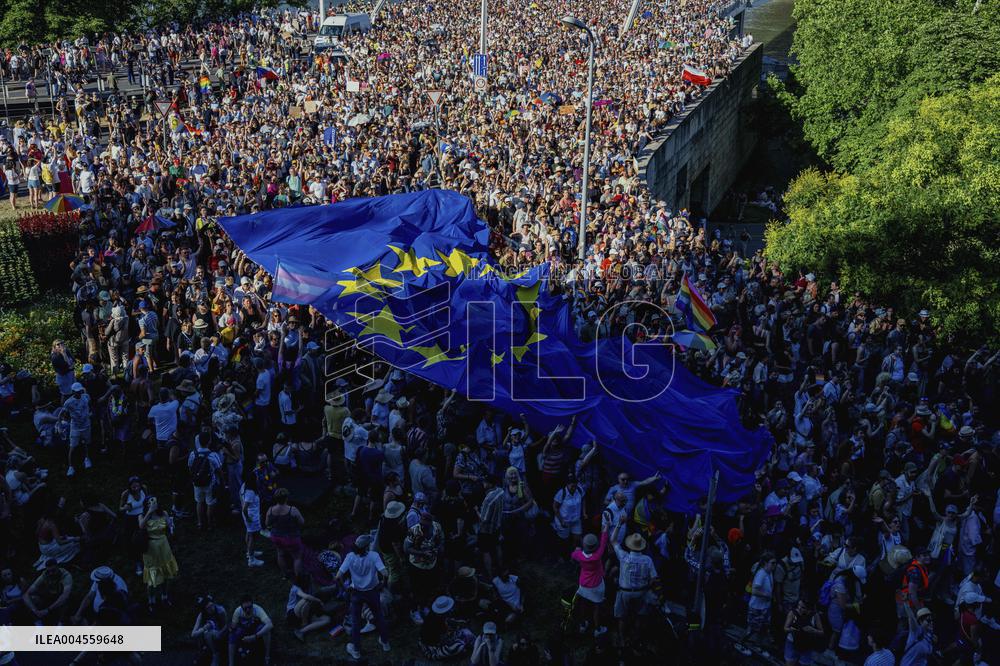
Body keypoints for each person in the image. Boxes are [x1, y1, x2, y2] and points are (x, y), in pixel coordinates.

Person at [334, 533, 391, 659]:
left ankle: (356, 651)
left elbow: (338, 577)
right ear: (366, 547)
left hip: (356, 593)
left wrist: (345, 588)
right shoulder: (374, 556)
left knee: (355, 622)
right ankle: (385, 643)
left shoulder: (350, 557)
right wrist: (382, 584)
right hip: (372, 592)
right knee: (379, 617)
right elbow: (385, 573)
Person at [612, 531, 658, 641]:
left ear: (630, 546)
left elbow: (613, 540)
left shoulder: (623, 556)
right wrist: (646, 585)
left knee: (622, 618)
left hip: (625, 592)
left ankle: (622, 639)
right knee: (639, 616)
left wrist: (619, 524)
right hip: (641, 592)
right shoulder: (648, 560)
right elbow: (654, 578)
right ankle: (636, 638)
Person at [138, 496, 177, 612]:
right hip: (151, 548)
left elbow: (169, 525)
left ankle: (164, 596)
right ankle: (151, 600)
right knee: (152, 577)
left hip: (164, 546)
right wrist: (149, 512)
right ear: (146, 505)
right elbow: (141, 526)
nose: (153, 503)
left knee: (166, 574)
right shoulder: (142, 516)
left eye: (155, 501)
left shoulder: (163, 513)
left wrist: (171, 525)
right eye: (150, 502)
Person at [571, 527, 611, 637]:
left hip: (584, 584)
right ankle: (597, 629)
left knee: (583, 604)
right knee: (596, 608)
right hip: (597, 585)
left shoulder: (579, 555)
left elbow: (573, 555)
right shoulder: (597, 555)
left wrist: (577, 550)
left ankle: (583, 625)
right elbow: (603, 542)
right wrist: (605, 529)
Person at [188, 426, 222, 531]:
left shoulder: (193, 454)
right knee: (210, 503)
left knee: (199, 502)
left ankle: (199, 523)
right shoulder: (213, 455)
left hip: (197, 482)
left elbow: (190, 467)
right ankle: (210, 524)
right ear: (209, 441)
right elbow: (219, 469)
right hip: (210, 483)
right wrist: (222, 481)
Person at [265, 488, 304, 578]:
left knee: (280, 554)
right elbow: (302, 522)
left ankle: (285, 574)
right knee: (297, 557)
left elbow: (267, 524)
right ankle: (298, 577)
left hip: (276, 537)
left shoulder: (270, 510)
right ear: (286, 498)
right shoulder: (293, 510)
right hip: (292, 537)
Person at [23, 560, 73, 625]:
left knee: (65, 602)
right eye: (49, 571)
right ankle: (39, 624)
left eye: (53, 571)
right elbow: (26, 594)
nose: (51, 573)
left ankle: (60, 625)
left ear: (58, 567)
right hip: (48, 597)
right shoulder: (44, 575)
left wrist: (48, 610)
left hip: (59, 599)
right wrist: (35, 610)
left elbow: (65, 595)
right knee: (33, 599)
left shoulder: (66, 575)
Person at [228, 595, 273, 666]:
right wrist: (232, 628)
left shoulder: (257, 609)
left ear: (252, 605)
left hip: (256, 631)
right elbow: (233, 627)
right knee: (231, 635)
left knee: (267, 631)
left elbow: (270, 624)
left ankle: (267, 657)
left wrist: (254, 636)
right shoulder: (238, 611)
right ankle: (231, 663)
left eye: (250, 607)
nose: (248, 610)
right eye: (245, 608)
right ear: (241, 607)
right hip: (243, 631)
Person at [63, 382, 93, 477]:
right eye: (76, 391)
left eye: (80, 391)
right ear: (72, 392)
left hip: (86, 425)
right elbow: (64, 414)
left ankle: (87, 459)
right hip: (75, 427)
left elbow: (90, 405)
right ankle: (71, 467)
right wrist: (62, 424)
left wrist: (90, 413)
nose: (78, 393)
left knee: (86, 443)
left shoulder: (86, 397)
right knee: (73, 446)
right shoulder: (68, 403)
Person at [783, 599, 824, 666]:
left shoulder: (815, 615)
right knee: (790, 663)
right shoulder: (793, 613)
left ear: (809, 609)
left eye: (803, 607)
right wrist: (792, 629)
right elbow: (785, 628)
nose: (799, 608)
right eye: (798, 605)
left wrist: (813, 630)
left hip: (807, 644)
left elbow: (821, 632)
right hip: (792, 641)